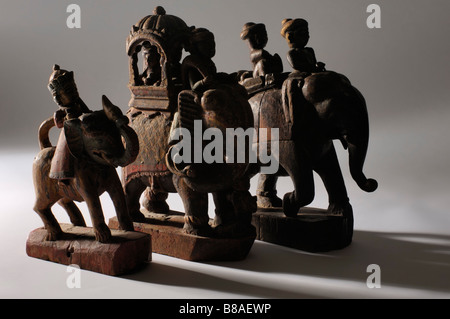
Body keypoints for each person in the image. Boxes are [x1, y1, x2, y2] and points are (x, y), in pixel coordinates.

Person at [47, 64, 91, 180]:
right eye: (68, 91)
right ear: (58, 97)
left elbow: (87, 112)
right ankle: (63, 174)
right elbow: (59, 124)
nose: (74, 92)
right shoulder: (60, 113)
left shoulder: (78, 103)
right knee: (66, 153)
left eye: (74, 88)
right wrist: (67, 120)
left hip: (84, 131)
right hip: (70, 135)